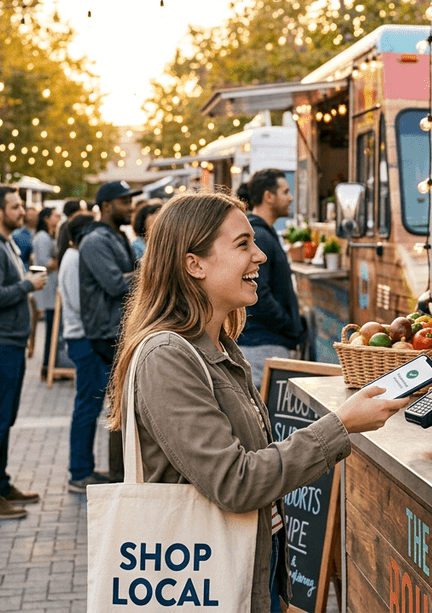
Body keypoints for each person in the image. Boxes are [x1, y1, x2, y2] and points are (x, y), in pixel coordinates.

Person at [106, 192, 408, 613]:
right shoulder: (167, 357)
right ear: (194, 264)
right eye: (243, 244)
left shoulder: (220, 347)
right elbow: (236, 482)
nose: (261, 256)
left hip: (246, 574)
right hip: (203, 581)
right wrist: (341, 424)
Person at [0, 186, 48, 520]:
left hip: (8, 342)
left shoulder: (4, 243)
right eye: (15, 206)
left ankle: (0, 484)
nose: (23, 210)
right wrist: (29, 285)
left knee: (4, 418)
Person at [78, 180, 139, 482]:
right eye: (123, 202)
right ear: (105, 206)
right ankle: (118, 476)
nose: (130, 207)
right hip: (106, 331)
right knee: (118, 404)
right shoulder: (95, 241)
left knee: (123, 403)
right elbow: (116, 284)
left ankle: (121, 474)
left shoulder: (116, 236)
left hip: (118, 328)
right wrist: (153, 270)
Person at [234, 170, 302, 389]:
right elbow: (259, 293)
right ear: (268, 196)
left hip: (265, 341)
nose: (290, 197)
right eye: (285, 191)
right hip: (263, 343)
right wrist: (288, 324)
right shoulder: (261, 236)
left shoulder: (264, 233)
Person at [58, 213, 110, 492]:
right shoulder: (74, 260)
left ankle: (83, 467)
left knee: (88, 405)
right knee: (87, 406)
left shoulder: (71, 257)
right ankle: (79, 471)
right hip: (84, 339)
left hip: (82, 337)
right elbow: (83, 304)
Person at [32, 207, 60, 378]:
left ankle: (48, 364)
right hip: (48, 288)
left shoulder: (48, 236)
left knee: (52, 328)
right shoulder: (42, 237)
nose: (58, 218)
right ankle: (46, 365)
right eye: (56, 215)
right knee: (51, 328)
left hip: (51, 286)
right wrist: (59, 261)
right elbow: (45, 262)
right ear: (47, 218)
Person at [10, 206, 37, 271]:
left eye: (35, 215)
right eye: (31, 215)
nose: (33, 217)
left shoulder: (41, 232)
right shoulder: (17, 234)